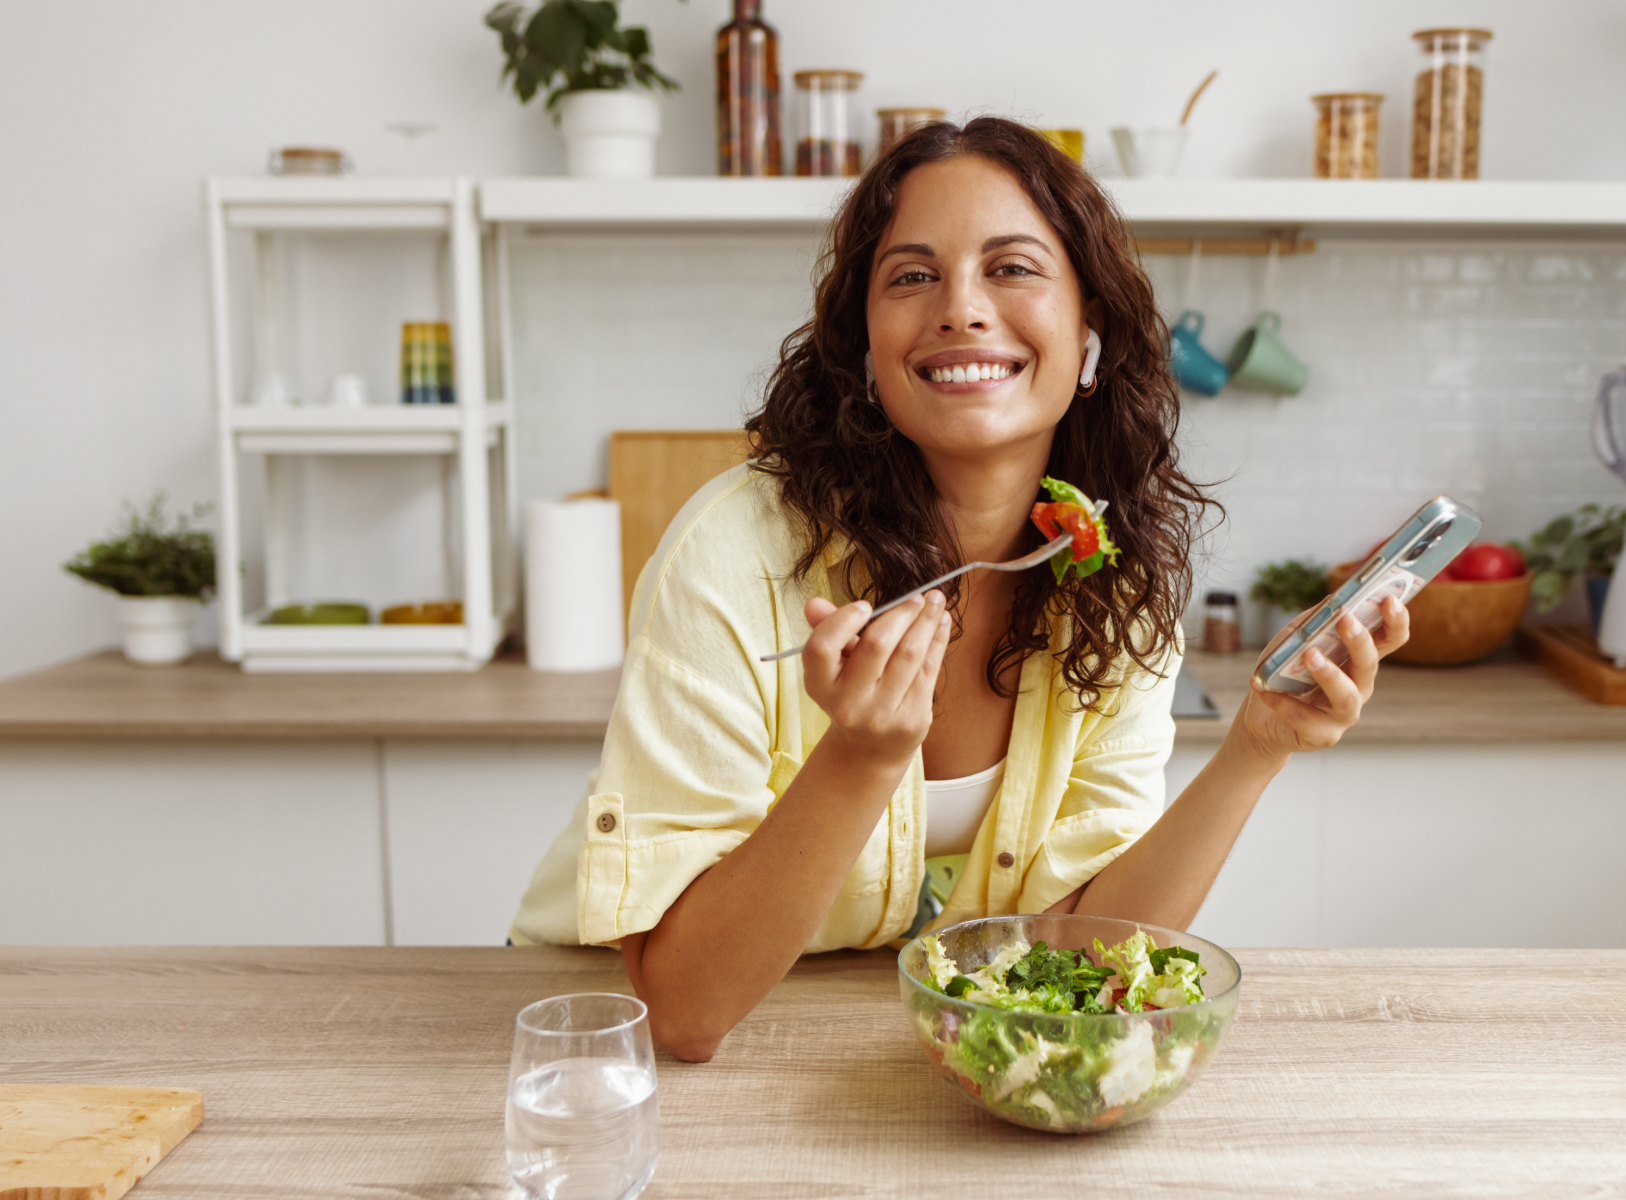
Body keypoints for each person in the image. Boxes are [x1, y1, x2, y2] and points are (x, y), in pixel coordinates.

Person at [509, 117, 1409, 1062]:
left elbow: (1083, 953)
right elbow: (682, 1011)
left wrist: (1256, 747)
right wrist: (858, 757)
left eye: (1013, 267)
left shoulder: (1115, 578)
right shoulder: (735, 550)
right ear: (862, 340)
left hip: (869, 1050)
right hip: (586, 1035)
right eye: (911, 275)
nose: (962, 309)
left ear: (1090, 327)